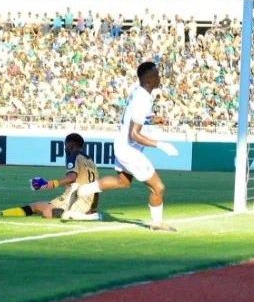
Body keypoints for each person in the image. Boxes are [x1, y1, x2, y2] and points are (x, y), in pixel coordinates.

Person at [66, 61, 179, 232]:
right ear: (149, 79)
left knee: (123, 182)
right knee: (159, 187)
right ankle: (156, 224)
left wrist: (152, 119)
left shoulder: (138, 91)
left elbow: (133, 118)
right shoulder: (143, 99)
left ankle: (83, 190)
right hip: (129, 149)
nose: (159, 77)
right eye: (157, 75)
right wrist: (160, 144)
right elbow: (134, 134)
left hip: (121, 144)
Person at [0, 133, 101, 220]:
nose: (65, 148)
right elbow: (96, 188)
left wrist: (47, 184)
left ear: (71, 145)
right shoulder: (91, 162)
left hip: (75, 198)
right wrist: (93, 208)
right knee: (35, 206)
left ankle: (75, 215)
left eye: (65, 145)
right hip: (85, 200)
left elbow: (71, 178)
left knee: (47, 213)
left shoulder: (74, 156)